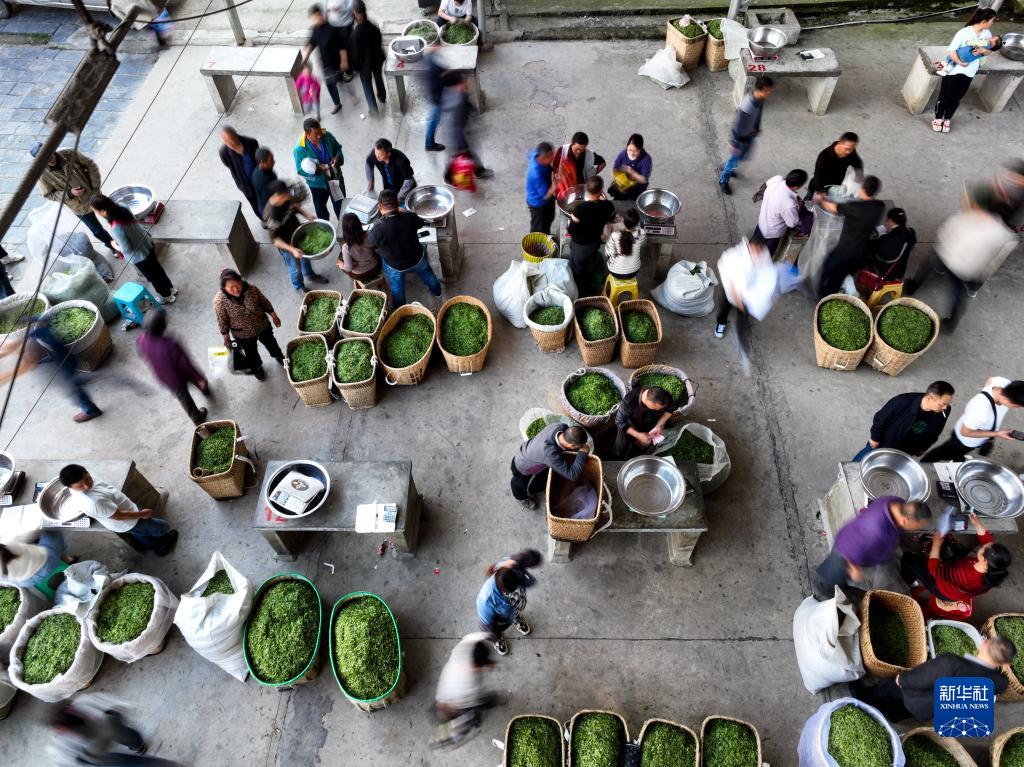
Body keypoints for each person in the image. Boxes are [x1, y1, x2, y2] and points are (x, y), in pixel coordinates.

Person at [850, 636, 1015, 723]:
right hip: (928, 709)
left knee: (888, 688)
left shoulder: (951, 663)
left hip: (916, 697)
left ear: (984, 643)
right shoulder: (1001, 683)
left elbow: (920, 678)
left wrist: (902, 680)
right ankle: (893, 716)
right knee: (903, 711)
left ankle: (862, 697)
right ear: (1006, 664)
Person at [904, 207, 1017, 331]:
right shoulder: (1006, 237)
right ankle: (951, 324)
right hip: (968, 269)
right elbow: (996, 261)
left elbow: (946, 229)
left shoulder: (970, 216)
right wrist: (981, 276)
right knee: (959, 295)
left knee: (927, 265)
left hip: (947, 254)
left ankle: (912, 286)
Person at [813, 496, 931, 600]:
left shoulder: (895, 502)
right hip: (844, 554)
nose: (918, 528)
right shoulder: (876, 532)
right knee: (832, 580)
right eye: (918, 526)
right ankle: (823, 592)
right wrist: (853, 567)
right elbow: (846, 545)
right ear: (905, 520)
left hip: (860, 536)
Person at [901, 513, 1011, 617]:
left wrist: (936, 544)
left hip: (940, 588)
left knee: (908, 558)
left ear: (984, 560)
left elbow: (934, 570)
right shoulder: (994, 572)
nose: (984, 544)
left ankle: (910, 581)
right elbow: (987, 540)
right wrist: (977, 523)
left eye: (983, 548)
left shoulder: (965, 574)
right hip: (956, 587)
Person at [58, 464, 178, 556]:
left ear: (87, 472)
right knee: (161, 526)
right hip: (128, 521)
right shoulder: (93, 502)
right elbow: (119, 516)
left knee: (141, 534)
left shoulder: (84, 482)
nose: (87, 485)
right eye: (80, 486)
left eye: (88, 479)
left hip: (126, 512)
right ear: (70, 487)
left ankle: (154, 545)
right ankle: (162, 546)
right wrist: (142, 514)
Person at [0, 317, 102, 422]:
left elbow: (20, 348)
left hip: (63, 364)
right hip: (68, 359)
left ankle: (90, 410)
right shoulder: (45, 329)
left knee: (72, 390)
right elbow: (39, 321)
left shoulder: (38, 334)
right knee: (71, 379)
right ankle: (80, 381)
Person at [49, 693, 181, 766]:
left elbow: (113, 705)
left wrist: (118, 710)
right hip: (95, 750)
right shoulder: (62, 745)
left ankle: (138, 746)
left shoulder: (84, 703)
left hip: (107, 727)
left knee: (128, 739)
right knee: (125, 762)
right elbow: (68, 760)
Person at [31, 143, 117, 255]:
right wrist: (70, 193)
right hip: (78, 207)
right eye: (45, 160)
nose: (50, 160)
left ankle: (125, 237)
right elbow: (49, 194)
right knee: (97, 231)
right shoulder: (42, 175)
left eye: (50, 155)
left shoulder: (69, 153)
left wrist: (95, 186)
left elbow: (90, 165)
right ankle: (113, 246)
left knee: (114, 216)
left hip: (95, 196)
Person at [90, 195, 177, 304]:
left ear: (104, 211)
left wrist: (114, 245)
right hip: (147, 243)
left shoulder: (116, 228)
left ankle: (166, 296)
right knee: (158, 269)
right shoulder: (123, 207)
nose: (96, 214)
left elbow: (127, 250)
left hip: (141, 256)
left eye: (96, 211)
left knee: (153, 277)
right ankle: (171, 289)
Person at [136, 308, 211, 425]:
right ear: (162, 327)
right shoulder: (170, 344)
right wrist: (199, 378)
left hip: (167, 378)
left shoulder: (141, 340)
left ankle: (197, 418)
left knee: (184, 398)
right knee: (199, 382)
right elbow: (186, 365)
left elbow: (141, 354)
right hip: (180, 374)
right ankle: (205, 391)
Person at [922, 377, 1024, 462]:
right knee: (944, 452)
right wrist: (997, 434)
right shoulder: (981, 410)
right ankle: (925, 463)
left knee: (951, 452)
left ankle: (956, 457)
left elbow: (991, 379)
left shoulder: (1004, 383)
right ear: (1006, 399)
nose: (1016, 408)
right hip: (964, 441)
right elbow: (965, 432)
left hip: (971, 425)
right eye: (1016, 406)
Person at [367, 190, 441, 307]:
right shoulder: (409, 216)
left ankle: (400, 308)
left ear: (379, 206)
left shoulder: (378, 228)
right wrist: (405, 213)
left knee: (397, 287)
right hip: (417, 259)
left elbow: (370, 245)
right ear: (397, 203)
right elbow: (420, 223)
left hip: (396, 266)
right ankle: (437, 292)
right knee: (428, 274)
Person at [814, 175, 885, 297]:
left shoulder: (854, 207)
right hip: (859, 252)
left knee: (827, 269)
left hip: (843, 250)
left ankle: (820, 293)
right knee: (840, 275)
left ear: (862, 189)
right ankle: (830, 293)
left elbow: (831, 207)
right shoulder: (879, 206)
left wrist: (820, 199)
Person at [852, 381, 955, 461]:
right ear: (929, 398)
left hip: (906, 451)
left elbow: (936, 431)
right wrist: (875, 438)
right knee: (862, 461)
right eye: (943, 404)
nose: (945, 407)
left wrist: (923, 448)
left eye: (947, 404)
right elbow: (881, 419)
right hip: (885, 443)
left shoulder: (944, 411)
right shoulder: (902, 401)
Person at [933, 8, 999, 133]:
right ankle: (938, 118)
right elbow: (952, 51)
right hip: (954, 70)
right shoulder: (964, 32)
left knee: (956, 98)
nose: (992, 23)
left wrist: (983, 51)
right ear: (984, 21)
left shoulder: (987, 34)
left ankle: (947, 118)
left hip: (969, 72)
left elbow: (989, 51)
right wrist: (959, 62)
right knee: (945, 96)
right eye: (992, 21)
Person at [213, 269, 285, 381]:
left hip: (262, 325)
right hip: (243, 334)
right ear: (224, 288)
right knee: (251, 352)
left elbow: (264, 302)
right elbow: (222, 321)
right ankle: (257, 367)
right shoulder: (220, 301)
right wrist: (226, 339)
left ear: (240, 281)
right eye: (231, 288)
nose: (236, 290)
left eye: (238, 285)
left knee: (271, 342)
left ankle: (278, 356)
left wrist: (274, 315)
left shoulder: (251, 288)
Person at [430, 633, 499, 748]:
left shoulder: (464, 646)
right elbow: (474, 701)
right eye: (480, 666)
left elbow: (474, 637)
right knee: (483, 704)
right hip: (455, 702)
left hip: (443, 694)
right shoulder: (469, 683)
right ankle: (474, 720)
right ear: (475, 667)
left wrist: (489, 635)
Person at [263, 180, 328, 294]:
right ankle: (299, 286)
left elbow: (295, 207)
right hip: (287, 245)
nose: (289, 195)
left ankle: (310, 275)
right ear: (278, 196)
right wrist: (292, 250)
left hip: (298, 235)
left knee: (305, 258)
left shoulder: (286, 197)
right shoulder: (271, 214)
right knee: (295, 268)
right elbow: (275, 240)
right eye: (286, 194)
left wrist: (307, 215)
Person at [475, 549, 541, 656]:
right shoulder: (485, 600)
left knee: (515, 611)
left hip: (514, 607)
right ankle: (498, 640)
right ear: (502, 589)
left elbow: (526, 560)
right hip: (501, 618)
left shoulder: (510, 565)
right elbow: (486, 625)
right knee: (494, 633)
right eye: (511, 590)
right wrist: (497, 633)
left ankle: (516, 616)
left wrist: (522, 559)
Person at [510, 423, 589, 510]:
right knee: (519, 484)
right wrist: (582, 454)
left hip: (531, 451)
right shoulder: (550, 453)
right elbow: (572, 475)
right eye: (579, 447)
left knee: (542, 476)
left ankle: (536, 487)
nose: (581, 447)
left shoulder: (561, 427)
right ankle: (521, 498)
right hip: (522, 465)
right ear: (571, 446)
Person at [719, 76, 773, 195]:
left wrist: (757, 127)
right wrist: (733, 143)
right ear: (760, 90)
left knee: (742, 157)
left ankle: (728, 166)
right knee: (734, 160)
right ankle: (723, 180)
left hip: (749, 136)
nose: (769, 93)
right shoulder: (747, 105)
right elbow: (737, 125)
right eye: (767, 91)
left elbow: (758, 114)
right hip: (739, 139)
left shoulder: (760, 99)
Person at [567, 176, 616, 293]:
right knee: (591, 262)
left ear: (586, 190)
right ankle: (589, 285)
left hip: (579, 246)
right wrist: (605, 200)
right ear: (601, 190)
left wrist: (573, 219)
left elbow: (571, 230)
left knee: (578, 266)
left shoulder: (579, 209)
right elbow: (611, 217)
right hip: (594, 242)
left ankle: (579, 288)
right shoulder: (607, 206)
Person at [294, 118, 345, 222]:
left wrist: (336, 158)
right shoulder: (299, 149)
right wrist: (317, 169)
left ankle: (343, 226)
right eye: (316, 134)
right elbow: (300, 170)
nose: (319, 136)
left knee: (341, 206)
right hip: (318, 186)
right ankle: (325, 228)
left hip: (335, 178)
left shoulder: (327, 135)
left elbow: (338, 148)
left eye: (320, 131)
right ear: (307, 134)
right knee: (321, 211)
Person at [859, 208, 916, 288]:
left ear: (890, 220)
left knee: (859, 254)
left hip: (886, 274)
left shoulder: (888, 239)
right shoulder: (910, 233)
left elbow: (870, 247)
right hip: (899, 272)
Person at [303, 4, 345, 115]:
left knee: (340, 80)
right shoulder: (315, 30)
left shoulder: (332, 29)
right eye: (313, 18)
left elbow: (342, 47)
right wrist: (304, 59)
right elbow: (311, 44)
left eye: (316, 17)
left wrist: (344, 61)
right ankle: (337, 104)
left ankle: (348, 90)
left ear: (321, 15)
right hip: (326, 65)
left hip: (337, 63)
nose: (315, 20)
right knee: (330, 85)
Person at [754, 169, 807, 255]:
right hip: (771, 234)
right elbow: (792, 223)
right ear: (797, 187)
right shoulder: (789, 204)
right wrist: (799, 208)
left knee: (753, 247)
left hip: (761, 222)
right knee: (765, 256)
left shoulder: (777, 179)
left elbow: (766, 185)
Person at [348, 1, 387, 115]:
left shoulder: (355, 35)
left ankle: (373, 110)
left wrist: (354, 67)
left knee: (367, 85)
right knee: (378, 78)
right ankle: (382, 97)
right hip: (377, 60)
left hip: (364, 66)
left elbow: (354, 55)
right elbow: (379, 42)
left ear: (355, 13)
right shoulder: (373, 27)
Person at [615, 385, 673, 458]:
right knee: (622, 445)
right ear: (647, 401)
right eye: (655, 408)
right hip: (629, 424)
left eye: (660, 409)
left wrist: (660, 424)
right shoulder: (629, 401)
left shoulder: (664, 397)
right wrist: (638, 435)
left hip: (649, 421)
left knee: (644, 445)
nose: (658, 410)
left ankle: (636, 454)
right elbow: (619, 421)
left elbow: (670, 409)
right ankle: (619, 458)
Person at [218, 126, 261, 217]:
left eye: (231, 140)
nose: (230, 143)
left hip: (259, 180)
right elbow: (228, 165)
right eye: (227, 141)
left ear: (236, 135)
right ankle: (263, 218)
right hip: (246, 186)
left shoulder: (251, 143)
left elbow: (259, 159)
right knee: (255, 203)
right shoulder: (224, 152)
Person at [0, 531, 66, 589]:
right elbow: (28, 535)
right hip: (46, 563)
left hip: (26, 581)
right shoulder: (8, 543)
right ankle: (64, 555)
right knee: (51, 531)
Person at [551, 131, 606, 199]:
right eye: (577, 149)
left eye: (582, 149)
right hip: (565, 187)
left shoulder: (589, 155)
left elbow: (602, 163)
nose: (579, 152)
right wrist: (554, 186)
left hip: (582, 187)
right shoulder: (562, 151)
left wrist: (594, 173)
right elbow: (554, 169)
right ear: (572, 143)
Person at [806, 132, 863, 197]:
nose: (849, 152)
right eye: (847, 149)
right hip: (820, 185)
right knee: (809, 198)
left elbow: (857, 162)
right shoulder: (824, 156)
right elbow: (818, 175)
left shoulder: (851, 151)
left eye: (852, 149)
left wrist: (858, 174)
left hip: (836, 185)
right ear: (840, 143)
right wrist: (821, 191)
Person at [365, 138, 416, 203]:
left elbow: (409, 180)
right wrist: (370, 182)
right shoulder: (376, 154)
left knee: (405, 206)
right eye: (376, 152)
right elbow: (368, 164)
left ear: (388, 154)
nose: (377, 156)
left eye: (380, 154)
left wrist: (400, 197)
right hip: (389, 186)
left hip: (404, 188)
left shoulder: (401, 160)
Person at [337, 212, 382, 284]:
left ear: (345, 230)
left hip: (361, 275)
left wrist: (341, 265)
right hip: (376, 267)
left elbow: (349, 268)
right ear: (360, 224)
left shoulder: (346, 247)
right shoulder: (370, 234)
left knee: (340, 260)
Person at [609, 134, 653, 201]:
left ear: (640, 149)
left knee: (635, 204)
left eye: (636, 151)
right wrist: (621, 171)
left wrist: (632, 172)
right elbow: (615, 169)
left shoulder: (646, 159)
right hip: (622, 185)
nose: (632, 153)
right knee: (618, 201)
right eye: (629, 150)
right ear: (627, 147)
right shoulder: (623, 154)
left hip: (638, 188)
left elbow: (644, 180)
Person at [604, 208, 645, 279]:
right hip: (634, 271)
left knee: (609, 252)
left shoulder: (615, 236)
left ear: (622, 220)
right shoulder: (642, 233)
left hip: (616, 272)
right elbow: (640, 244)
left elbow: (609, 253)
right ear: (637, 222)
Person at [526, 141, 556, 235]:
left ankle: (546, 236)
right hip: (538, 203)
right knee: (538, 229)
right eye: (550, 157)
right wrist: (556, 183)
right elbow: (546, 195)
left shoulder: (536, 153)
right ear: (542, 158)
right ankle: (537, 243)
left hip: (546, 196)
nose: (552, 158)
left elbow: (529, 154)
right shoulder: (536, 174)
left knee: (549, 219)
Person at [423, 40, 448, 152]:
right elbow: (440, 77)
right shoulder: (433, 63)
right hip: (436, 96)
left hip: (433, 94)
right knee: (433, 120)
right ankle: (429, 144)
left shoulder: (429, 57)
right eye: (438, 46)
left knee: (433, 119)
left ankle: (429, 142)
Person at [251, 147, 278, 216]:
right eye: (271, 160)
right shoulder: (264, 180)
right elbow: (268, 199)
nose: (274, 161)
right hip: (270, 209)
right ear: (262, 163)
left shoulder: (259, 169)